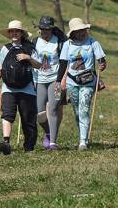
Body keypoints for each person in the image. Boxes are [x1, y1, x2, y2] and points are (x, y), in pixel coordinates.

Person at [0, 20, 41, 154]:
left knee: (28, 118)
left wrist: (28, 58)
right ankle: (6, 142)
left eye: (17, 31)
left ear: (21, 33)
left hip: (27, 88)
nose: (14, 33)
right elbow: (1, 67)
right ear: (9, 33)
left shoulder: (30, 48)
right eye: (11, 31)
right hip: (8, 88)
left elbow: (39, 65)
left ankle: (29, 147)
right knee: (7, 114)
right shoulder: (5, 48)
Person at [59, 17, 106, 150]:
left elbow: (102, 60)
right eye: (78, 31)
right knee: (77, 111)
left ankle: (82, 141)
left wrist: (102, 65)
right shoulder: (67, 45)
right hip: (71, 82)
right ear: (73, 33)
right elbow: (63, 64)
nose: (81, 33)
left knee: (84, 109)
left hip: (88, 81)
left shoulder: (93, 42)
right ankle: (83, 135)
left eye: (83, 30)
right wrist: (59, 81)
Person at [34, 16, 66, 150]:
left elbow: (64, 62)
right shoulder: (34, 41)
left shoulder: (60, 41)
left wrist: (62, 80)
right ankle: (48, 132)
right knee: (39, 113)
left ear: (52, 29)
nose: (45, 31)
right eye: (42, 29)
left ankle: (53, 142)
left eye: (47, 29)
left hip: (56, 81)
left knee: (53, 109)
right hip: (39, 80)